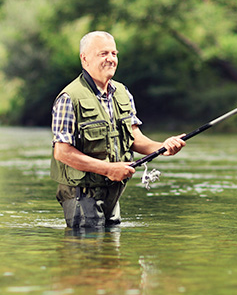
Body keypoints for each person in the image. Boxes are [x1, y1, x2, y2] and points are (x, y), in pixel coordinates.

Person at [51, 31, 186, 228]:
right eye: (103, 53)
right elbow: (62, 152)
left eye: (114, 53)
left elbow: (134, 138)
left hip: (112, 193)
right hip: (82, 195)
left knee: (111, 256)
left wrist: (163, 147)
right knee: (87, 255)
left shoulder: (122, 93)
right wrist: (108, 169)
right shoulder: (69, 98)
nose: (111, 59)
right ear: (84, 58)